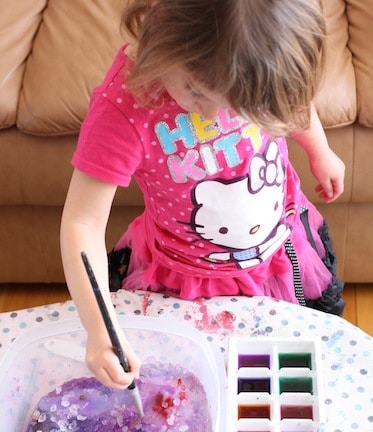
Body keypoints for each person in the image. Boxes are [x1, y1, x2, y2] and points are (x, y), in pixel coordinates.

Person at [61, 0, 345, 391]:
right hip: (184, 279)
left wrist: (319, 150)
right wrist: (98, 329)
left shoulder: (261, 59)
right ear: (164, 36)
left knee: (281, 381)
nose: (210, 115)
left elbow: (294, 99)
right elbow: (82, 222)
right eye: (195, 91)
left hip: (283, 255)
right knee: (198, 387)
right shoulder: (125, 105)